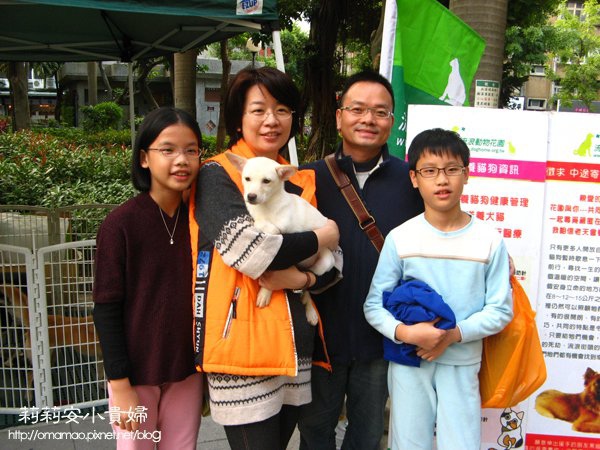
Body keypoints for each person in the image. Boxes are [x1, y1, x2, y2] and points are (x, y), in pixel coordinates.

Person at [188, 67, 341, 450]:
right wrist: (323, 235)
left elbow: (334, 268)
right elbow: (254, 252)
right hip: (241, 346)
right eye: (258, 110)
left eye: (282, 109)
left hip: (293, 346)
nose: (271, 120)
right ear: (238, 117)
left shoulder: (300, 180)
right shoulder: (217, 174)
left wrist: (304, 280)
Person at [363, 128, 513, 450]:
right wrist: (405, 333)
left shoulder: (489, 240)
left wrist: (453, 334)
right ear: (415, 178)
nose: (442, 180)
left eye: (451, 169)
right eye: (430, 171)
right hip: (409, 360)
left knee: (462, 443)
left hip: (462, 362)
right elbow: (374, 305)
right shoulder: (401, 238)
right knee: (408, 443)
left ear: (466, 174)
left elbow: (500, 309)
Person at [298, 71, 424, 450]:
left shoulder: (412, 180)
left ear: (391, 121)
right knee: (315, 432)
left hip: (381, 337)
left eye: (380, 111)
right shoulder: (310, 178)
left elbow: (445, 228)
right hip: (322, 335)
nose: (368, 119)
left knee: (368, 435)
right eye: (357, 109)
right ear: (339, 117)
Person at [93, 107, 204, 449]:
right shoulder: (121, 224)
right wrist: (120, 384)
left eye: (191, 150)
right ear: (144, 158)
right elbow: (106, 308)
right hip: (136, 375)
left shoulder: (201, 220)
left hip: (187, 371)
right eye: (167, 150)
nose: (181, 160)